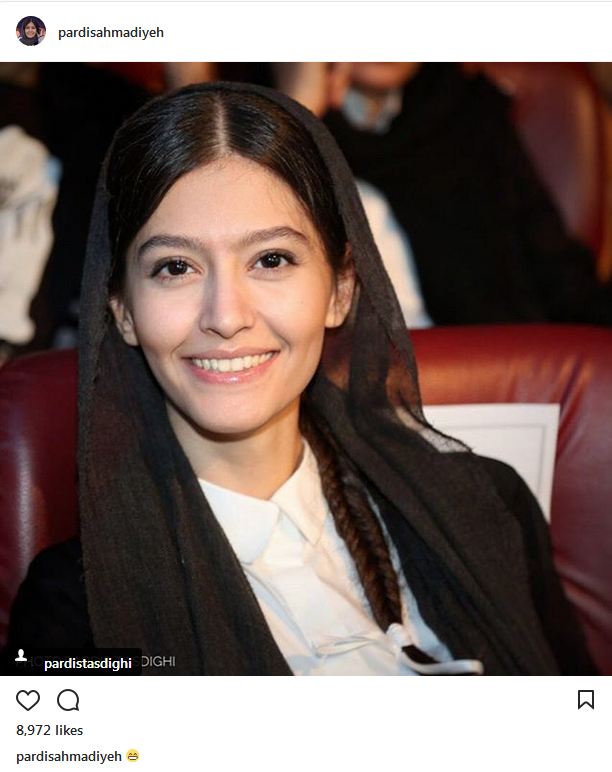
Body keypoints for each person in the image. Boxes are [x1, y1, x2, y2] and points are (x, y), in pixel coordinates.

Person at [3, 83, 595, 675]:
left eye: (271, 259)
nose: (226, 316)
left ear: (341, 290)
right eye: (176, 267)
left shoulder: (488, 506)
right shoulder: (77, 615)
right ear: (123, 311)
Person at [278, 63, 612, 325]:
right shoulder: (280, 124)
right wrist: (300, 110)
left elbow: (561, 275)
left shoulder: (467, 111)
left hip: (512, 367)